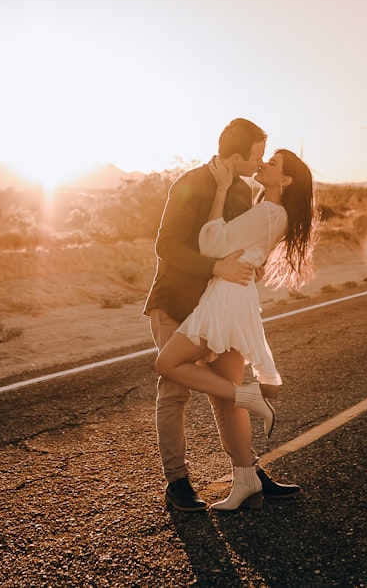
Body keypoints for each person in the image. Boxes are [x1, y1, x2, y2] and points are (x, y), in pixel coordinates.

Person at [143, 118, 301, 512]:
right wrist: (215, 268)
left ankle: (248, 473)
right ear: (236, 156)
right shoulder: (192, 183)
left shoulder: (243, 190)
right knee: (174, 390)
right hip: (177, 303)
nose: (260, 164)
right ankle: (178, 483)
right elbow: (166, 246)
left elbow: (240, 240)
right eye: (258, 157)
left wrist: (252, 263)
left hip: (218, 306)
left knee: (228, 396)